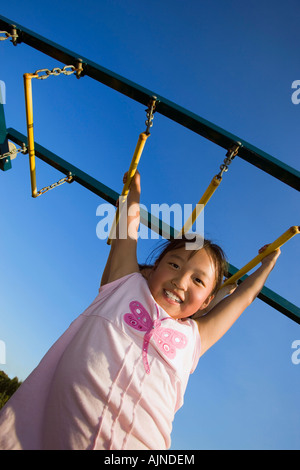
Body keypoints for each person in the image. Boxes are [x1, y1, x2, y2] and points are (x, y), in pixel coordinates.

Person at [0, 171, 280, 450]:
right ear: (154, 267)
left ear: (207, 301)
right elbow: (126, 232)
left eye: (198, 280)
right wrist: (133, 193)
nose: (180, 281)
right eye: (174, 265)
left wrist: (266, 266)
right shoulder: (124, 286)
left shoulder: (195, 338)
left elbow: (242, 299)